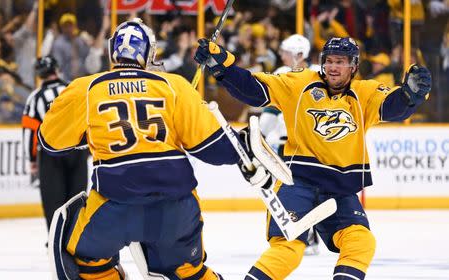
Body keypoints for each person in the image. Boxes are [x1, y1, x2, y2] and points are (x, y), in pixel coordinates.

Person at [194, 36, 431, 279]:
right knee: (289, 248)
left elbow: (393, 106)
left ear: (354, 66)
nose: (333, 67)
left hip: (339, 190)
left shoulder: (365, 93)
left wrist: (409, 96)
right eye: (329, 61)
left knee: (360, 241)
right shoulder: (299, 83)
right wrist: (222, 66)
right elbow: (255, 90)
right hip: (297, 184)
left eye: (340, 61)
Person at [39, 18, 247, 279]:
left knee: (88, 262)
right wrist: (239, 141)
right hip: (176, 208)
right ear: (149, 53)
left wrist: (91, 131)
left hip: (115, 207)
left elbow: (51, 142)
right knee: (188, 271)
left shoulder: (87, 88)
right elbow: (218, 150)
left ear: (112, 51)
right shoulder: (174, 86)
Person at [258, 34, 320, 256]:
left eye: (286, 52)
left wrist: (259, 135)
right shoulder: (318, 74)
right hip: (306, 146)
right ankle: (307, 236)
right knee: (303, 191)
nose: (281, 56)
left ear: (299, 55)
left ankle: (303, 236)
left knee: (293, 191)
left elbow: (271, 112)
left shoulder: (287, 75)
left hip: (295, 147)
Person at [21, 55, 89, 235]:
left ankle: (55, 237)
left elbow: (30, 131)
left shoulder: (35, 97)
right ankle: (75, 237)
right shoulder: (72, 89)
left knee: (53, 198)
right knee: (77, 197)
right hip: (77, 150)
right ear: (57, 69)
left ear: (40, 75)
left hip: (51, 153)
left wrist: (32, 158)